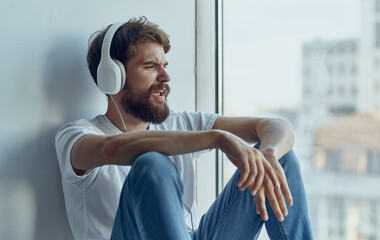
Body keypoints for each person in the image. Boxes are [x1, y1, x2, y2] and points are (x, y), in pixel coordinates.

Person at [55, 17, 313, 240]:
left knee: (281, 159)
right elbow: (110, 149)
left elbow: (277, 126)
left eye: (164, 66)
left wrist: (267, 154)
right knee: (152, 164)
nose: (165, 78)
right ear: (114, 76)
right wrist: (216, 138)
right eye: (151, 67)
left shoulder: (180, 123)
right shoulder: (77, 135)